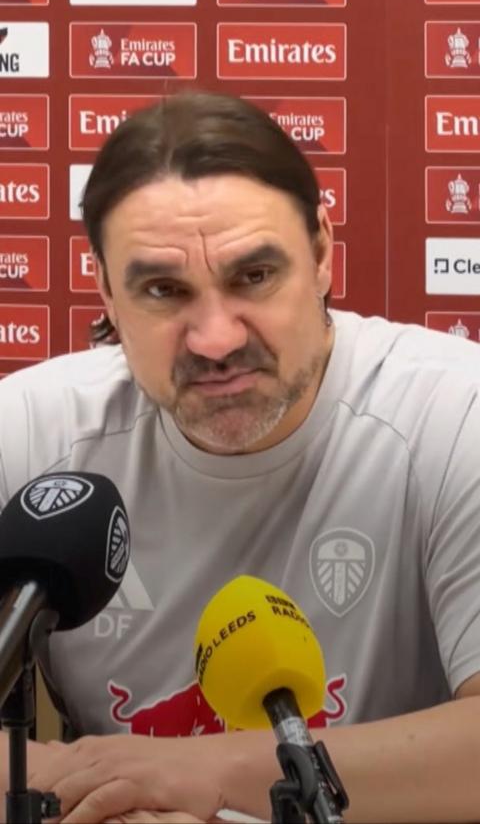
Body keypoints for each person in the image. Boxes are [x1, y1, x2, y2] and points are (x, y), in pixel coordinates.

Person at [0, 90, 480, 824]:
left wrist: (204, 772)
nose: (217, 339)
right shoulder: (32, 433)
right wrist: (81, 784)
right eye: (164, 290)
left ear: (321, 255)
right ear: (106, 291)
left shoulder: (454, 413)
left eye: (253, 276)